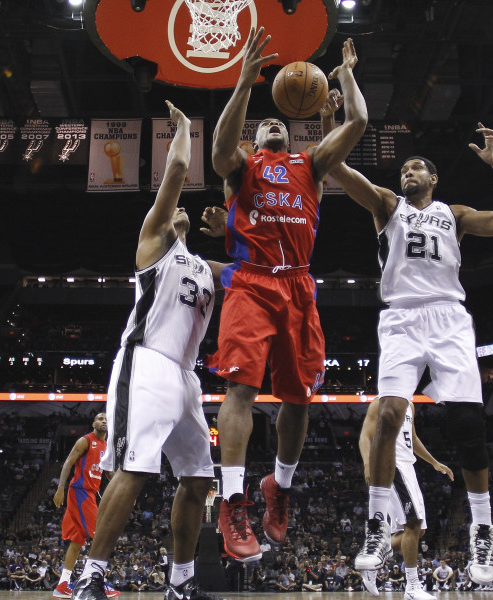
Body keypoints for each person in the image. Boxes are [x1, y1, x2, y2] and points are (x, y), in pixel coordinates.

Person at [319, 89, 493, 587]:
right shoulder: (387, 206)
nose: (406, 174)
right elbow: (338, 171)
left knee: (466, 422)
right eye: (403, 169)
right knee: (389, 412)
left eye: (416, 169)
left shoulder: (455, 214)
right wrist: (331, 125)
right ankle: (373, 523)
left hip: (449, 316)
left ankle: (483, 529)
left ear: (434, 178)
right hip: (402, 318)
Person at [204, 25, 368, 561]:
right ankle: (233, 502)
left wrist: (344, 74)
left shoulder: (311, 165)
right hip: (251, 282)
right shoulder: (243, 166)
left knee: (297, 398)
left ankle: (279, 485)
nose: (275, 124)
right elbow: (219, 148)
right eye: (265, 122)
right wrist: (245, 83)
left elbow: (360, 122)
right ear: (257, 138)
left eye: (280, 122)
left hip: (298, 282)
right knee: (242, 391)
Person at [70, 102, 227, 600]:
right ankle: (90, 574)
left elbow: (257, 266)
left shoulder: (208, 268)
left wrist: (234, 230)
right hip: (147, 361)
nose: (180, 208)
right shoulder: (154, 243)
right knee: (135, 467)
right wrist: (183, 130)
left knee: (200, 478)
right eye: (175, 207)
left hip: (187, 375)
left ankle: (180, 583)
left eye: (183, 210)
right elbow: (178, 170)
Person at [358, 398, 453, 600]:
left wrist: (434, 462)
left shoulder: (410, 405)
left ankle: (373, 555)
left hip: (408, 467)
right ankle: (412, 586)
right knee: (413, 523)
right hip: (392, 464)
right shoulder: (380, 402)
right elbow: (365, 436)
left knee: (420, 530)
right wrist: (367, 464)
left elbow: (413, 439)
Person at [52, 412, 117, 599]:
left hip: (88, 493)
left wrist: (123, 491)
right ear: (93, 423)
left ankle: (63, 584)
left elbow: (109, 474)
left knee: (77, 541)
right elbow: (68, 462)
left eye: (106, 419)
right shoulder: (85, 441)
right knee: (100, 535)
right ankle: (96, 580)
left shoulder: (107, 446)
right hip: (80, 491)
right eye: (100, 419)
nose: (103, 421)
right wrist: (60, 487)